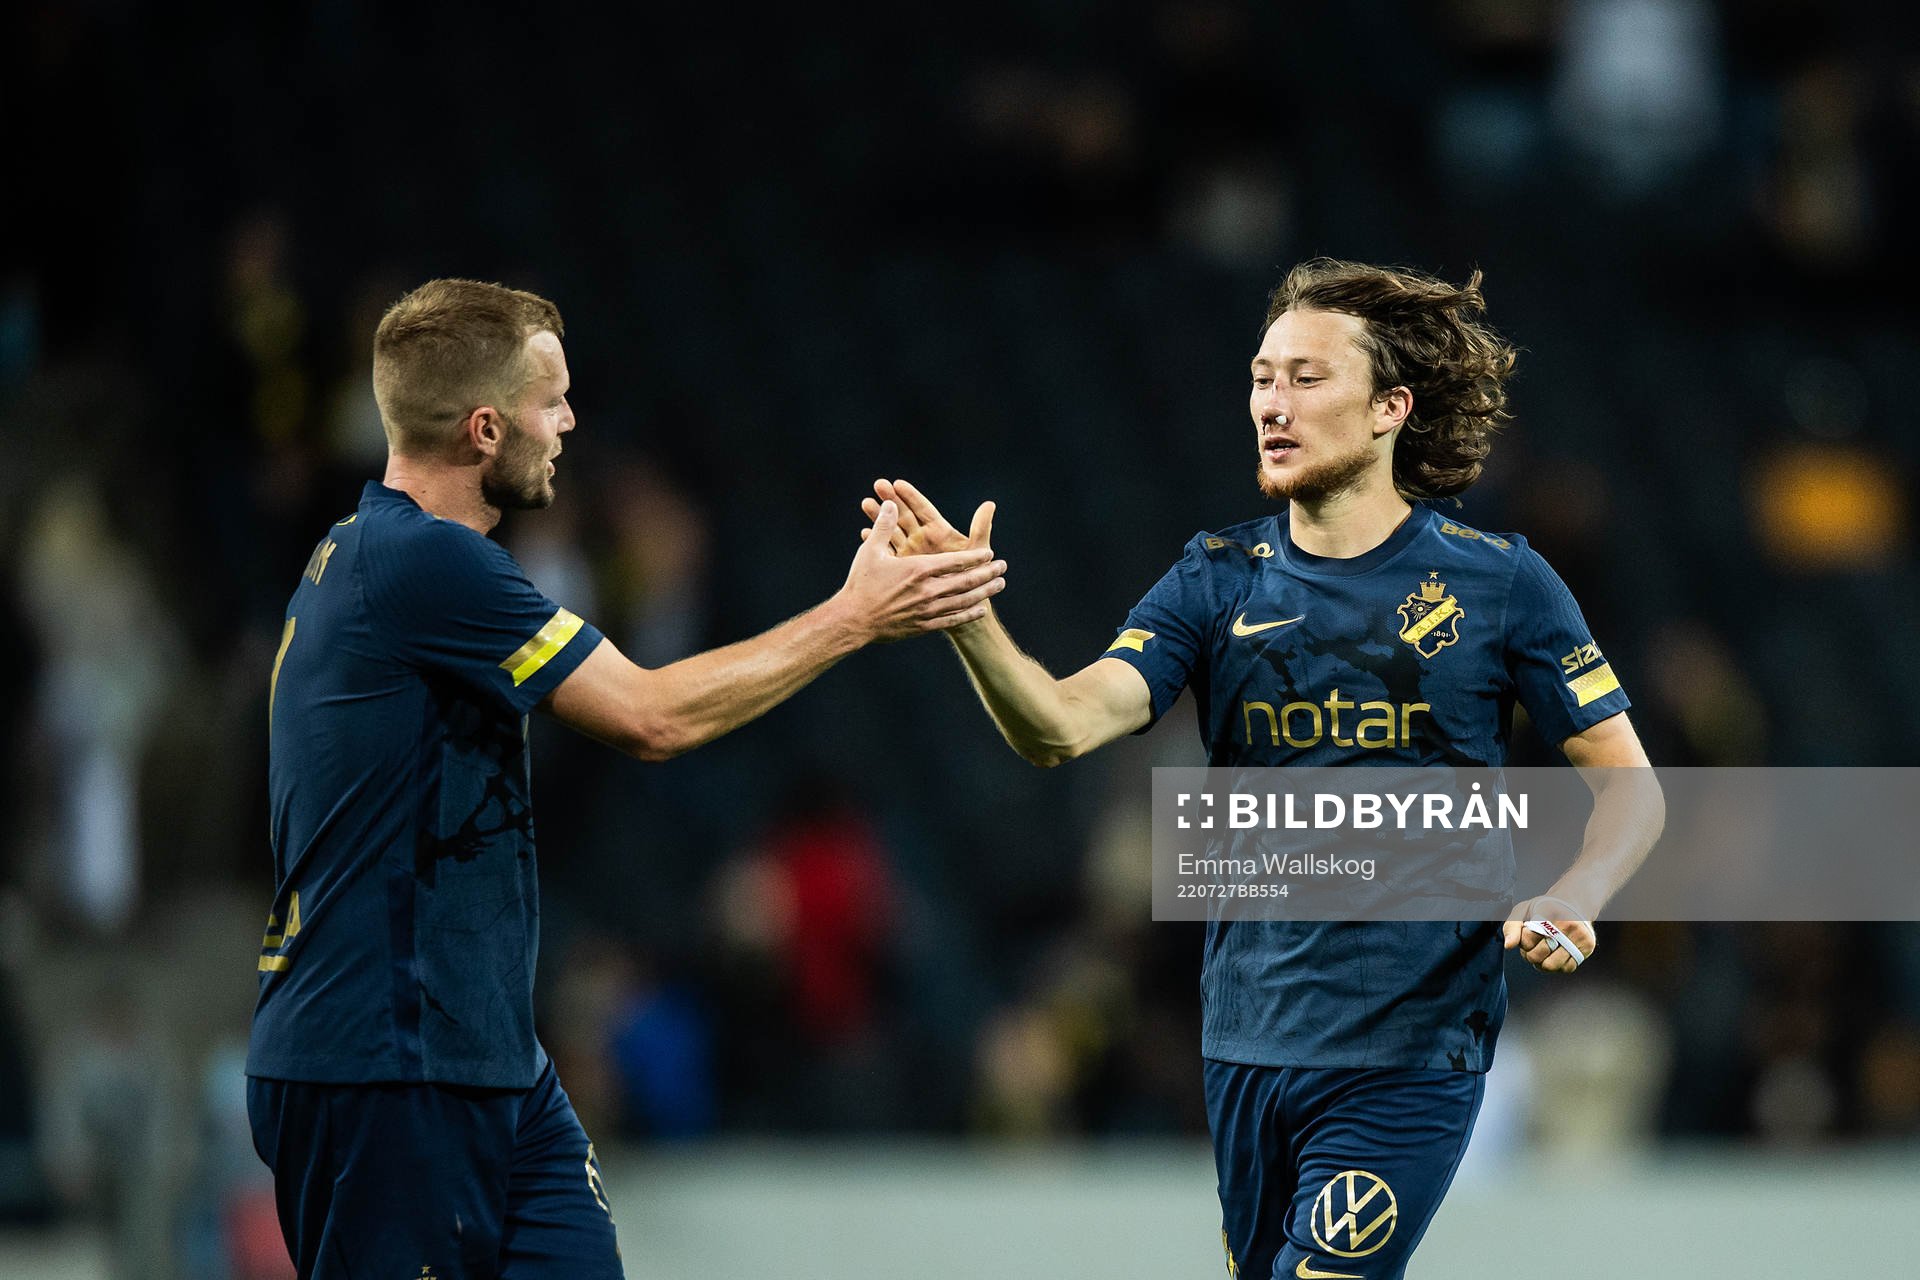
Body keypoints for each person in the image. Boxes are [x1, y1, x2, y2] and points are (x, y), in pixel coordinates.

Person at [862, 259, 1661, 1280]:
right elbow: (1059, 725)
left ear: (1389, 409)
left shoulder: (1499, 580)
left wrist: (1580, 888)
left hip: (1411, 1051)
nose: (1273, 405)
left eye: (1307, 378)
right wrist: (971, 620)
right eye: (1261, 377)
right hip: (1249, 1042)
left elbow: (1631, 786)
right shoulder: (1214, 576)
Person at [246, 278, 1005, 1279]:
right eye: (548, 398)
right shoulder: (426, 565)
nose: (568, 421)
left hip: (486, 1061)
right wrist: (856, 614)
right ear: (483, 427)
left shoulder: (364, 555)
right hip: (383, 1065)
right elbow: (652, 715)